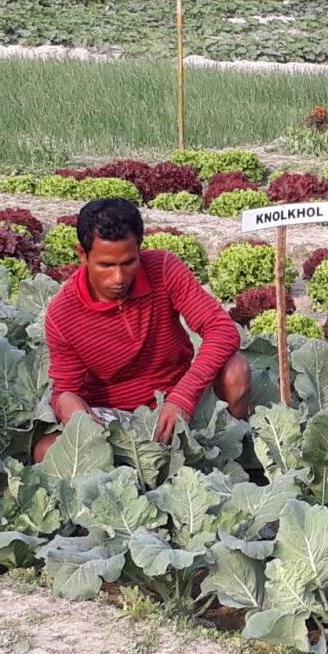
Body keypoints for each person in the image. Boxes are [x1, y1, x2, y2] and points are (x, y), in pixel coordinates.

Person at [38, 196, 248, 460]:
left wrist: (183, 396)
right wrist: (76, 414)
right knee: (45, 451)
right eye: (106, 265)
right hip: (116, 418)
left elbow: (222, 330)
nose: (118, 277)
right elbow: (66, 388)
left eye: (128, 263)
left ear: (139, 248)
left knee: (235, 370)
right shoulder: (63, 312)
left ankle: (231, 464)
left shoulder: (163, 268)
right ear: (83, 254)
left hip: (180, 401)